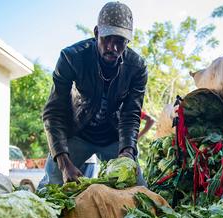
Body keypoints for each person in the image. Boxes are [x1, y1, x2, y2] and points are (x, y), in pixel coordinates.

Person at [39, 2, 147, 188]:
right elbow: (53, 113)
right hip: (77, 132)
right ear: (96, 32)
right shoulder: (71, 58)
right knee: (50, 188)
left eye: (120, 41)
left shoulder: (137, 67)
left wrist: (127, 153)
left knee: (139, 191)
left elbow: (131, 115)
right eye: (107, 38)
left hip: (113, 136)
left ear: (128, 41)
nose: (112, 47)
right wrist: (64, 164)